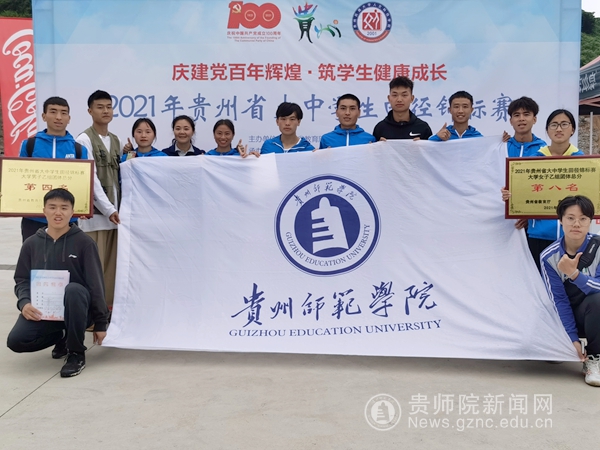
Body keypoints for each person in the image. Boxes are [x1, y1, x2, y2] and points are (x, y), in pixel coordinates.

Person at [6, 189, 109, 378]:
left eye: (64, 208)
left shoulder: (84, 243)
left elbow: (96, 285)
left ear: (72, 212)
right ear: (44, 211)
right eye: (52, 207)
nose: (58, 212)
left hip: (78, 310)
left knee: (74, 290)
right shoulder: (31, 244)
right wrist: (24, 303)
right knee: (16, 341)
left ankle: (76, 353)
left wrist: (101, 323)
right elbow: (21, 279)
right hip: (45, 311)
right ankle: (63, 336)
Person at [502, 109, 584, 271]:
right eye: (554, 125)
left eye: (564, 124)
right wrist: (511, 197)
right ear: (547, 130)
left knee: (570, 282)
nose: (559, 129)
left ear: (572, 129)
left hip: (574, 236)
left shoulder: (584, 161)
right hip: (539, 236)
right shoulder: (534, 160)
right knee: (539, 282)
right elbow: (523, 195)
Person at [540, 196, 600, 386]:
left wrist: (574, 274)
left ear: (590, 221)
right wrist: (571, 338)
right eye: (570, 218)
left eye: (583, 219)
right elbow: (558, 300)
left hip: (593, 312)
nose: (576, 224)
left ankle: (595, 358)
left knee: (598, 300)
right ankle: (561, 344)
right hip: (568, 315)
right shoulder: (549, 256)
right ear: (560, 220)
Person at [75, 90, 122, 311]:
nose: (105, 111)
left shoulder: (116, 140)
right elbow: (90, 179)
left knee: (111, 269)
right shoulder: (83, 140)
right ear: (90, 111)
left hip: (115, 218)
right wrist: (109, 208)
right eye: (100, 107)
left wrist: (117, 210)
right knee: (93, 269)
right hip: (94, 218)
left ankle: (107, 312)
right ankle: (91, 313)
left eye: (109, 107)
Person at [19, 96, 89, 242]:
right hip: (34, 218)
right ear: (44, 116)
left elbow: (84, 183)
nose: (58, 117)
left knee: (67, 256)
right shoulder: (29, 145)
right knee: (33, 255)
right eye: (53, 111)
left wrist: (85, 205)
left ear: (69, 118)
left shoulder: (79, 149)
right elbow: (19, 178)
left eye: (63, 113)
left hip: (67, 219)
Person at [372, 76, 433, 141]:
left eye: (404, 95)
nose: (399, 100)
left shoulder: (423, 127)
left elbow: (431, 147)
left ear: (412, 98)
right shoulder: (380, 128)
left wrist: (422, 145)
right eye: (395, 95)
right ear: (389, 98)